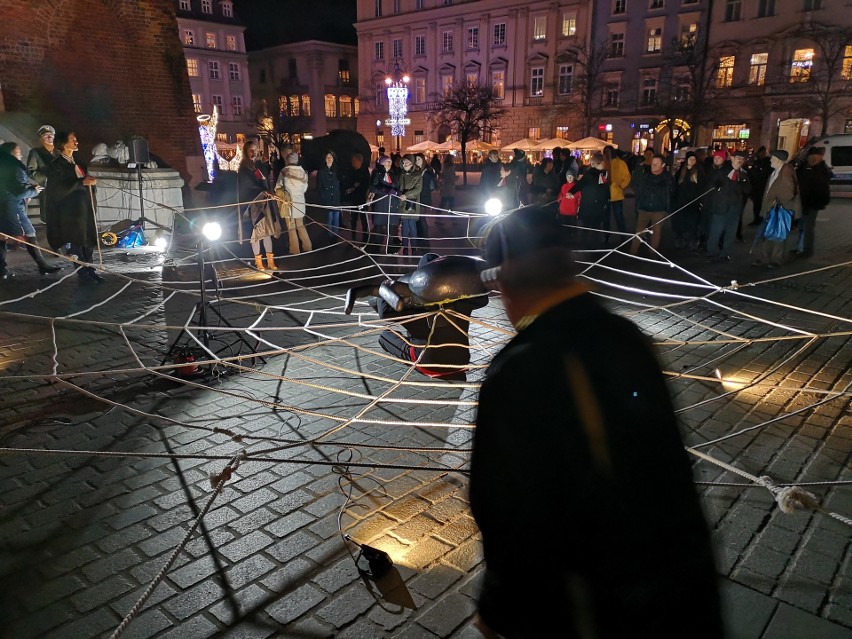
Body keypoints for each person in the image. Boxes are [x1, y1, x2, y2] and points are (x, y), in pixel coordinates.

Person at [470, 205, 722, 639]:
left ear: (505, 282)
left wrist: (498, 607)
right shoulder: (627, 336)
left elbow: (510, 512)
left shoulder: (522, 368)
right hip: (682, 590)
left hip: (598, 607)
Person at [343, 253, 489, 380]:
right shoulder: (464, 300)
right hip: (461, 361)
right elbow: (483, 299)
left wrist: (383, 289)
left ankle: (410, 349)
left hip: (430, 364)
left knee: (386, 336)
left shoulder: (410, 305)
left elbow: (385, 313)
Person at [45, 131, 102, 283]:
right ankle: (82, 273)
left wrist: (90, 183)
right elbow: (56, 189)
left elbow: (84, 180)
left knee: (88, 242)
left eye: (76, 139)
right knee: (76, 243)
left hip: (85, 209)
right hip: (70, 212)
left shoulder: (78, 162)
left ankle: (91, 270)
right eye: (72, 140)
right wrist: (80, 183)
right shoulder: (56, 165)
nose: (76, 142)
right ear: (63, 144)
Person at [0, 143, 60, 275]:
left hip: (5, 206)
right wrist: (34, 191)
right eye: (18, 151)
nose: (20, 154)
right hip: (13, 208)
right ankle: (42, 265)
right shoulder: (15, 168)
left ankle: (2, 269)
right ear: (11, 154)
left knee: (3, 236)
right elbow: (19, 192)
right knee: (29, 233)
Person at [237, 141, 281, 271]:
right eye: (251, 150)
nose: (254, 152)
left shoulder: (257, 166)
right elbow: (248, 184)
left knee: (267, 231)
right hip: (253, 206)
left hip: (264, 204)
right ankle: (258, 262)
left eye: (256, 150)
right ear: (246, 151)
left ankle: (270, 260)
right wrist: (262, 191)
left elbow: (264, 180)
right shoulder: (243, 168)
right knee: (255, 234)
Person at [753, 150, 799, 269]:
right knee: (768, 233)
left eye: (772, 158)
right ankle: (765, 257)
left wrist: (778, 201)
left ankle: (776, 259)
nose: (770, 160)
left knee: (779, 234)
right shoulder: (776, 172)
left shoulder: (786, 173)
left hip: (780, 210)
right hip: (771, 209)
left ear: (778, 160)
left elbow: (789, 193)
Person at [705, 150, 750, 263]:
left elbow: (748, 189)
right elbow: (711, 185)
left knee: (731, 233)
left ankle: (725, 254)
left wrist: (743, 183)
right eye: (738, 157)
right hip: (721, 207)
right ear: (732, 158)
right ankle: (712, 253)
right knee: (716, 232)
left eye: (742, 159)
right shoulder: (722, 170)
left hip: (735, 208)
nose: (740, 160)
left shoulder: (743, 173)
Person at [630, 154, 673, 256]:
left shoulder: (667, 178)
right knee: (639, 231)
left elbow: (672, 192)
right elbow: (638, 188)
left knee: (656, 232)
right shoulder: (646, 176)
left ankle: (652, 253)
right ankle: (632, 252)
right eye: (652, 164)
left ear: (663, 165)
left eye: (656, 164)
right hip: (644, 208)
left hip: (659, 209)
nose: (653, 166)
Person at [794, 146, 832, 258]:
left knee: (808, 227)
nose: (813, 159)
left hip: (813, 202)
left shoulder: (821, 169)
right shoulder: (803, 166)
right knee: (802, 225)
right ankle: (800, 247)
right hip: (803, 201)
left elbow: (822, 186)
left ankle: (807, 249)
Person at [567, 152, 609, 246]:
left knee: (596, 227)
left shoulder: (604, 173)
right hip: (588, 204)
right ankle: (584, 246)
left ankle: (594, 246)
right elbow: (580, 184)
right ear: (598, 163)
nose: (605, 164)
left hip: (599, 205)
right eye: (603, 162)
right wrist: (571, 192)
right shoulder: (590, 174)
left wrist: (607, 199)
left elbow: (605, 188)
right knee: (586, 227)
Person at [275, 151, 312, 255]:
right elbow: (305, 189)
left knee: (291, 228)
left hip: (288, 203)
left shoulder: (284, 172)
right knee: (300, 225)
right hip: (300, 203)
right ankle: (307, 246)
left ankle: (295, 250)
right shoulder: (303, 173)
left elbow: (278, 186)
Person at [672, 151, 707, 250]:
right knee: (681, 222)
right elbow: (676, 186)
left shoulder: (699, 171)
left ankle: (693, 241)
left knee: (693, 223)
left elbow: (702, 186)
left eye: (693, 159)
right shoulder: (681, 172)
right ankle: (681, 240)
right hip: (681, 202)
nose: (692, 161)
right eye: (690, 159)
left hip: (693, 202)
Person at [367, 155, 400, 254]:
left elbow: (397, 186)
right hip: (381, 203)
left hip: (392, 203)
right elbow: (373, 186)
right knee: (379, 226)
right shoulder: (376, 173)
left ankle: (391, 247)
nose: (389, 164)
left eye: (390, 162)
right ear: (381, 163)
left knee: (391, 226)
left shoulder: (393, 173)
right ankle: (376, 247)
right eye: (387, 162)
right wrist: (386, 190)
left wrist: (397, 192)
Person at [26, 125, 56, 223]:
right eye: (46, 136)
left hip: (62, 187)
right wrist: (45, 179)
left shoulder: (60, 152)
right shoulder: (36, 153)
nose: (49, 138)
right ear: (41, 139)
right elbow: (31, 171)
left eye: (51, 136)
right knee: (49, 216)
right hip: (47, 187)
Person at [341, 152, 371, 244]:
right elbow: (348, 182)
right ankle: (353, 236)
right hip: (354, 199)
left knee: (363, 218)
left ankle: (365, 237)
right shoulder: (351, 171)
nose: (353, 162)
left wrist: (357, 186)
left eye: (354, 161)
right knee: (353, 218)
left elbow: (366, 184)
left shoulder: (364, 171)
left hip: (362, 198)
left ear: (359, 161)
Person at [397, 154, 423, 256]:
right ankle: (404, 247)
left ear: (412, 164)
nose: (405, 164)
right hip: (403, 204)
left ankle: (414, 247)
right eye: (403, 162)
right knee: (404, 227)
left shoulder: (417, 175)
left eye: (407, 162)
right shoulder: (401, 175)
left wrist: (406, 195)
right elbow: (398, 187)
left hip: (412, 204)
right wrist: (399, 194)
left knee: (412, 226)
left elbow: (418, 189)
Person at [603, 145, 630, 239]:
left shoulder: (620, 163)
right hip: (605, 194)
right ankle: (606, 235)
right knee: (605, 217)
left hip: (616, 194)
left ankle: (623, 234)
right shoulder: (603, 163)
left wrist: (620, 186)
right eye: (605, 152)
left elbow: (626, 177)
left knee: (619, 216)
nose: (607, 154)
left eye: (609, 152)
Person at [317, 150, 342, 242]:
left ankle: (335, 235)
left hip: (336, 197)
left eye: (330, 157)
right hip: (327, 198)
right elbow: (319, 187)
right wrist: (323, 197)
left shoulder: (337, 170)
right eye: (327, 157)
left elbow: (341, 184)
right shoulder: (321, 171)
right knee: (329, 217)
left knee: (336, 217)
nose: (329, 159)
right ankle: (330, 235)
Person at [746, 146, 772, 227]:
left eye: (764, 152)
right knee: (756, 205)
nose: (762, 154)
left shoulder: (767, 162)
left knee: (761, 205)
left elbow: (766, 173)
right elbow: (751, 173)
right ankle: (757, 219)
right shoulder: (756, 161)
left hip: (763, 187)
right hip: (756, 187)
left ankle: (761, 219)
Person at [415, 153, 435, 249]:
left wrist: (428, 203)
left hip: (423, 199)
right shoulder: (419, 171)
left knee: (421, 219)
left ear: (423, 160)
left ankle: (425, 240)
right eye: (416, 159)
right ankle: (421, 240)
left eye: (418, 159)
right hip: (418, 199)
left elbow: (426, 189)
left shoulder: (425, 173)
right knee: (419, 219)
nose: (416, 161)